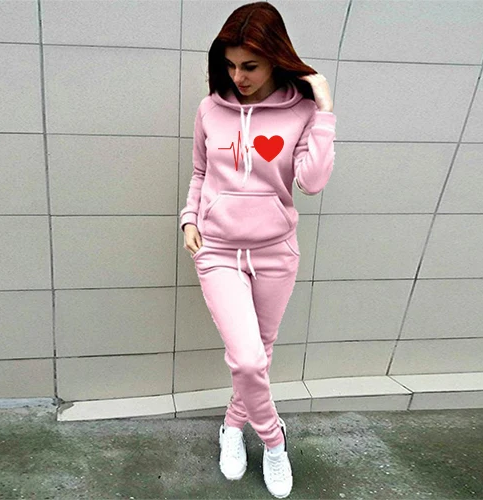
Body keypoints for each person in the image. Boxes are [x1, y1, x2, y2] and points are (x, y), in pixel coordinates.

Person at [180, 2, 336, 498]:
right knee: (246, 360)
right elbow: (201, 172)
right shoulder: (210, 109)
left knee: (259, 356)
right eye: (229, 65)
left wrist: (324, 110)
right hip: (217, 250)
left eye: (249, 65)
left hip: (275, 252)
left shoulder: (302, 112)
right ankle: (273, 441)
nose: (237, 77)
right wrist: (188, 218)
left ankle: (232, 425)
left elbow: (312, 182)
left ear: (275, 58)